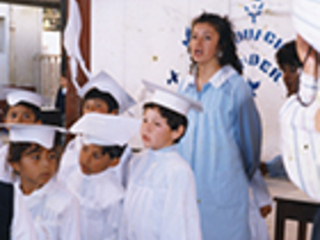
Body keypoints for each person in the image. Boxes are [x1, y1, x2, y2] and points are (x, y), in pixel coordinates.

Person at [177, 13, 262, 240]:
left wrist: (227, 174)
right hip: (187, 189)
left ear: (221, 45)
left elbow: (250, 149)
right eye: (194, 37)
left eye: (207, 37)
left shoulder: (235, 88)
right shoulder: (183, 87)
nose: (198, 43)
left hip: (223, 193)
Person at [119, 80, 202, 240]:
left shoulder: (178, 171)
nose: (147, 128)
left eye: (157, 124)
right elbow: (127, 216)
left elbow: (179, 226)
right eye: (145, 120)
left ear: (177, 131)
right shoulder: (137, 162)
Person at [60, 112, 139, 240]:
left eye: (95, 156)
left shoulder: (113, 195)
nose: (86, 159)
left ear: (114, 162)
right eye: (84, 150)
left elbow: (116, 233)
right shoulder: (71, 178)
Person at [58, 71, 136, 188]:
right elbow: (63, 178)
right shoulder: (76, 144)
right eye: (87, 107)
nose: (91, 111)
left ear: (113, 113)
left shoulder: (121, 149)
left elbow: (124, 182)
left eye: (98, 106)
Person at [6, 124, 80, 240]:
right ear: (15, 164)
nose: (46, 164)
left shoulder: (66, 201)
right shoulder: (8, 198)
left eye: (51, 156)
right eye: (36, 157)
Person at [261, 41, 302, 179]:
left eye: (292, 70)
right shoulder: (294, 107)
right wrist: (267, 167)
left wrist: (268, 168)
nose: (286, 77)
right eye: (284, 70)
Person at [0, 89, 43, 183]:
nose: (18, 121)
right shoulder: (3, 154)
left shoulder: (41, 154)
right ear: (5, 122)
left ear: (37, 123)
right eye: (13, 115)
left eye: (26, 116)